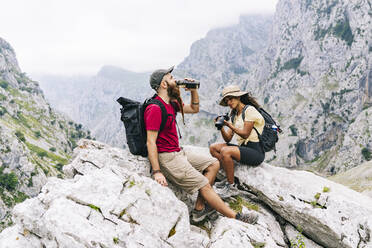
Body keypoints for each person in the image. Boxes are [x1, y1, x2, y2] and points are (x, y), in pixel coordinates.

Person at [145, 67, 258, 224]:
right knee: (204, 184)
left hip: (179, 152)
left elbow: (194, 109)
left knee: (214, 163)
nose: (176, 81)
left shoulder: (171, 103)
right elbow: (150, 142)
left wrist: (193, 90)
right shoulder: (155, 108)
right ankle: (237, 217)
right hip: (168, 158)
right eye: (171, 78)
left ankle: (199, 209)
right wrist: (157, 171)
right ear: (164, 84)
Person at [210, 85, 265, 199]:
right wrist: (221, 127)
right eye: (226, 100)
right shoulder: (235, 115)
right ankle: (228, 177)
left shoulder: (249, 110)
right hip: (244, 148)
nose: (229, 102)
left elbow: (245, 133)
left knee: (226, 151)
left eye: (231, 99)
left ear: (238, 97)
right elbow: (228, 139)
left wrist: (229, 124)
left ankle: (232, 187)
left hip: (255, 151)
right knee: (213, 147)